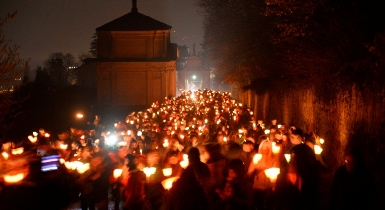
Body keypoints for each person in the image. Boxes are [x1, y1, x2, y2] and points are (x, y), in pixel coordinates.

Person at [247, 139, 279, 210]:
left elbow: (275, 173)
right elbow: (249, 172)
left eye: (268, 147)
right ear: (261, 148)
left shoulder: (274, 159)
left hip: (268, 187)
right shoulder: (257, 157)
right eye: (264, 147)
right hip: (257, 187)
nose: (266, 149)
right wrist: (255, 164)